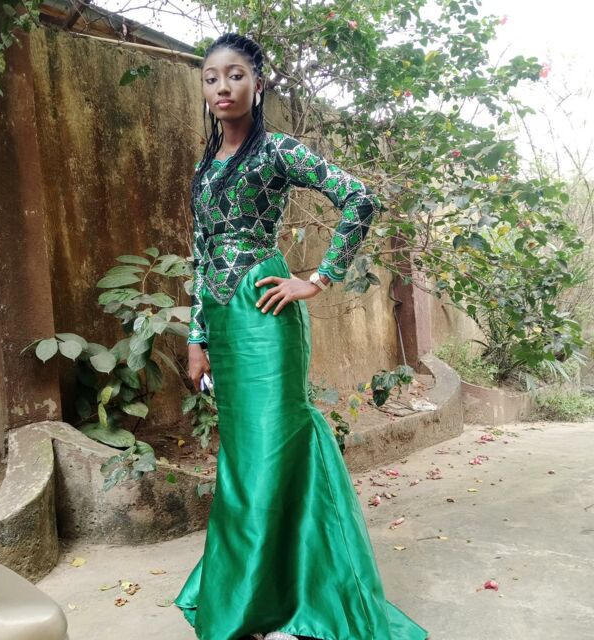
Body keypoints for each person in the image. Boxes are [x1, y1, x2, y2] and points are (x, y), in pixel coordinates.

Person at [173, 32, 429, 640]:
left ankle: (292, 603)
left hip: (267, 315)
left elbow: (358, 199)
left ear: (258, 84)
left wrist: (316, 279)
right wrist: (196, 336)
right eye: (212, 77)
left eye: (236, 75)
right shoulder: (205, 168)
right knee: (242, 462)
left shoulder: (277, 151)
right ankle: (252, 596)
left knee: (271, 451)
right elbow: (201, 255)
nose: (223, 87)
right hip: (223, 324)